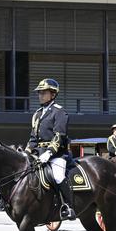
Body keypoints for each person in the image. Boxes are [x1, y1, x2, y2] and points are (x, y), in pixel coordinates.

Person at [25, 78, 74, 221]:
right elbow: (33, 137)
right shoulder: (37, 114)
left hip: (57, 153)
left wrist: (49, 153)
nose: (40, 95)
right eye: (39, 93)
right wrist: (26, 152)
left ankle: (68, 206)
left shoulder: (59, 112)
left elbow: (59, 136)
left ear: (53, 94)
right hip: (38, 154)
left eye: (43, 92)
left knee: (58, 176)